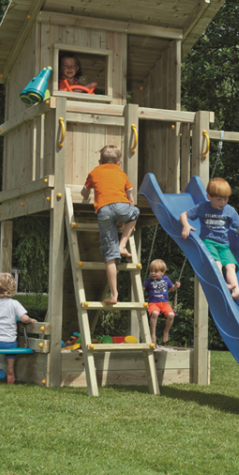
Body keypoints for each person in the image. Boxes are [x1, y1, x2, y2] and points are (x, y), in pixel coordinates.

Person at [81, 145, 140, 304]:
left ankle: (114, 295)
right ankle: (123, 245)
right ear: (119, 162)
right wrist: (129, 204)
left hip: (104, 210)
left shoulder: (94, 172)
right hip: (122, 206)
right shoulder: (121, 173)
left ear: (100, 161)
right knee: (134, 212)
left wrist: (87, 194)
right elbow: (130, 197)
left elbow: (84, 192)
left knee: (110, 257)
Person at [180, 177, 239, 302]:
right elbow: (184, 215)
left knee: (230, 265)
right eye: (219, 199)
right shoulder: (202, 207)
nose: (223, 202)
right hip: (208, 242)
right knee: (218, 263)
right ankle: (222, 284)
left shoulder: (230, 210)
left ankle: (236, 290)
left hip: (224, 245)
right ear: (209, 197)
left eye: (226, 199)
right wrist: (186, 225)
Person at [0, 273, 37, 385]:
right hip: (9, 342)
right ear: (13, 288)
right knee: (12, 348)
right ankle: (10, 368)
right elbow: (24, 318)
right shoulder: (14, 304)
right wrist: (30, 320)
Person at [144, 259, 181, 344]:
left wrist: (176, 286)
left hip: (165, 303)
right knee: (155, 314)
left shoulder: (166, 279)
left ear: (162, 272)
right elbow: (143, 289)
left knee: (171, 315)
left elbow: (171, 289)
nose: (153, 273)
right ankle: (153, 334)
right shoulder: (149, 281)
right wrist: (141, 288)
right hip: (153, 303)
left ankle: (166, 332)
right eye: (151, 271)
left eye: (156, 271)